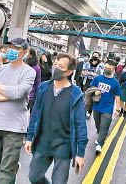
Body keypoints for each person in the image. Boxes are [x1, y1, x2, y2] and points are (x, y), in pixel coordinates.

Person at [25, 53, 88, 183]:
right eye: (54, 64)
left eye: (60, 66)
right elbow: (35, 114)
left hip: (63, 146)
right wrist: (29, 137)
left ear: (69, 72)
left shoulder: (76, 94)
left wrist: (80, 153)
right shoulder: (44, 87)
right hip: (43, 143)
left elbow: (81, 126)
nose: (55, 68)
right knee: (34, 177)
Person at [0, 38, 36, 184]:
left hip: (15, 127)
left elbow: (19, 93)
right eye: (10, 47)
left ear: (25, 52)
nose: (11, 50)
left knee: (5, 172)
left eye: (16, 48)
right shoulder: (1, 69)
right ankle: (13, 167)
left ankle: (9, 169)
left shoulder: (29, 72)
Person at [90, 60, 122, 155]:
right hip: (97, 106)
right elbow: (90, 88)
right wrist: (94, 92)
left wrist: (118, 109)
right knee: (98, 124)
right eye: (106, 68)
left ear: (113, 68)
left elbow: (117, 96)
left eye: (109, 68)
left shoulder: (115, 83)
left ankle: (99, 144)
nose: (107, 69)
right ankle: (101, 136)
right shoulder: (98, 78)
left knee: (105, 125)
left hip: (107, 108)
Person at [82, 55, 102, 120]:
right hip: (87, 83)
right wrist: (89, 73)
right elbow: (83, 72)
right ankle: (84, 112)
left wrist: (94, 75)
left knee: (91, 100)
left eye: (95, 61)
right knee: (86, 99)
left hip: (94, 85)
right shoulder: (88, 64)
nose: (93, 62)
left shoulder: (100, 66)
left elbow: (100, 76)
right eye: (92, 60)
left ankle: (89, 113)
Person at [26, 48, 42, 113]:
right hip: (20, 94)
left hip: (30, 96)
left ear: (31, 55)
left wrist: (37, 97)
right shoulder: (22, 65)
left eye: (27, 52)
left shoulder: (36, 68)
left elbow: (37, 83)